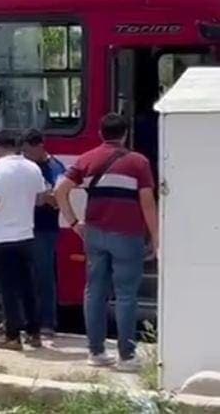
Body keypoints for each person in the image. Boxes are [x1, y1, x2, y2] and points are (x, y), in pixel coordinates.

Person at [55, 113, 158, 372]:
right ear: (124, 134)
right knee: (125, 295)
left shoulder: (87, 159)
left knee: (94, 291)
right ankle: (126, 356)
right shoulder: (138, 162)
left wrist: (73, 222)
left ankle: (96, 352)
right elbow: (147, 202)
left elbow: (60, 190)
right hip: (127, 235)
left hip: (95, 234)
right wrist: (156, 238)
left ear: (101, 133)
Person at [0, 129, 48, 350]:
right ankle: (34, 333)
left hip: (2, 238)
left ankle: (12, 337)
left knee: (8, 289)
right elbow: (40, 200)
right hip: (26, 236)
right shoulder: (33, 167)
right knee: (29, 287)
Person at [22, 128, 66, 338]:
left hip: (44, 228)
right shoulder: (25, 167)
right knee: (25, 276)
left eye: (29, 151)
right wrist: (41, 197)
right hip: (23, 226)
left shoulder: (53, 167)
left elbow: (57, 197)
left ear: (40, 146)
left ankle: (48, 321)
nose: (26, 156)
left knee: (44, 275)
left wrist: (41, 197)